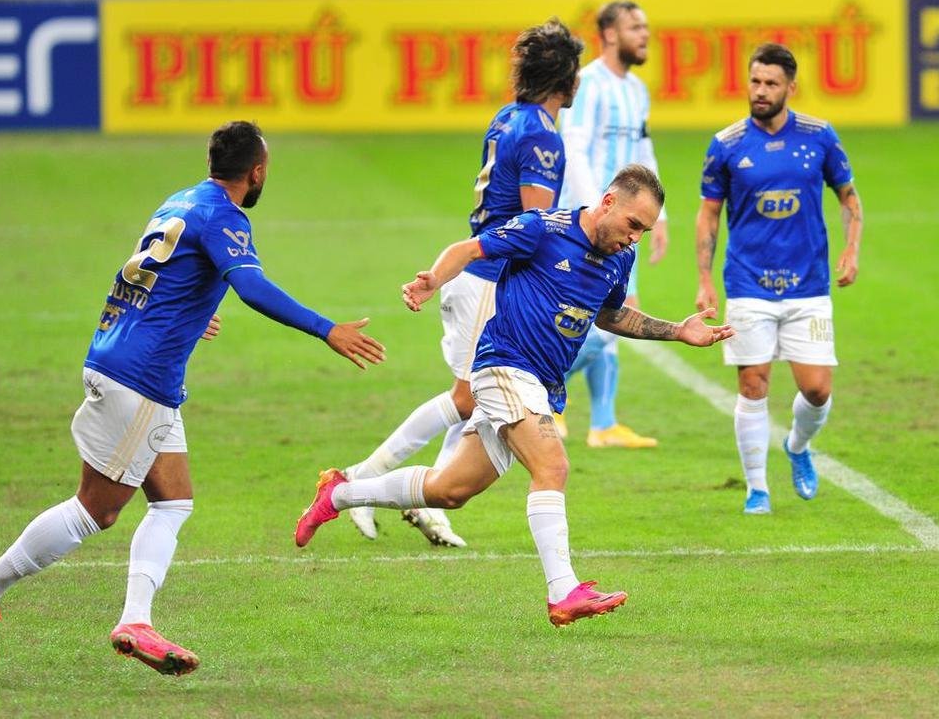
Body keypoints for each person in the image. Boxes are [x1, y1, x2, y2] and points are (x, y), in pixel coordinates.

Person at [0, 120, 385, 675]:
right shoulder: (225, 215)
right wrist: (328, 329)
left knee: (173, 500)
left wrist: (184, 317)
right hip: (139, 380)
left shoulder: (180, 200)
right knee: (95, 510)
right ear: (257, 171)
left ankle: (137, 619)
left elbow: (146, 276)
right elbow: (251, 287)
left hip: (127, 360)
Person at [296, 165, 734, 626]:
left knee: (449, 491)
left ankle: (340, 493)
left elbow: (609, 316)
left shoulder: (619, 258)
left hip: (540, 385)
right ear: (608, 203)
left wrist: (678, 332)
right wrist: (433, 281)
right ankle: (563, 592)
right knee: (553, 466)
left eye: (644, 231)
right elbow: (468, 248)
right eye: (632, 225)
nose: (634, 239)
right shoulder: (543, 229)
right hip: (504, 365)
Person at [339, 18, 584, 548]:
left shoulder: (508, 117)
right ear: (569, 80)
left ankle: (430, 505)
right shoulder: (542, 135)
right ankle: (357, 479)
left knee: (481, 407)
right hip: (490, 279)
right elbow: (533, 225)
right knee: (470, 399)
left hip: (484, 274)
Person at [694, 43, 863, 515]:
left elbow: (849, 198)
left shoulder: (820, 136)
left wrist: (851, 249)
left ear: (791, 87)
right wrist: (705, 278)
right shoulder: (726, 144)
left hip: (809, 286)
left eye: (771, 83)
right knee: (753, 385)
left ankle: (796, 446)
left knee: (817, 389)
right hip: (748, 283)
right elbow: (709, 215)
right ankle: (756, 489)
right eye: (755, 81)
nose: (761, 91)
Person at [554, 0, 668, 449]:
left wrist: (662, 217)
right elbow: (575, 145)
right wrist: (592, 208)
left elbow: (645, 155)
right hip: (598, 222)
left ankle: (602, 423)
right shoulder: (591, 85)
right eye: (635, 27)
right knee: (609, 318)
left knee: (611, 311)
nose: (645, 34)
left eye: (646, 26)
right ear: (610, 34)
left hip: (631, 222)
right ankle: (545, 391)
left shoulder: (637, 89)